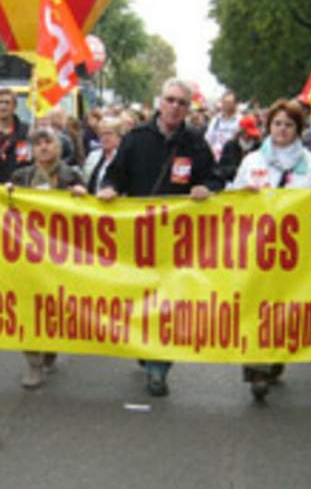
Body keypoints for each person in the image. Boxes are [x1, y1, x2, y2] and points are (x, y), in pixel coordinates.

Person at [99, 78, 222, 397]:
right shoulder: (136, 138)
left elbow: (216, 175)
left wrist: (206, 187)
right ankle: (145, 349)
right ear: (159, 102)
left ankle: (159, 368)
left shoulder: (195, 143)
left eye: (182, 103)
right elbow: (116, 174)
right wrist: (110, 188)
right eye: (170, 100)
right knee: (140, 298)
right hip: (138, 236)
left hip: (177, 239)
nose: (175, 107)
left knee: (168, 302)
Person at [230, 99, 311, 401]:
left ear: (298, 129)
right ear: (268, 127)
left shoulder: (310, 163)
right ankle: (256, 369)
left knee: (285, 308)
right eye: (277, 124)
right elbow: (233, 199)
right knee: (256, 307)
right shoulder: (252, 161)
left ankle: (276, 359)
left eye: (288, 125)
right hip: (257, 250)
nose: (282, 130)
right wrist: (243, 194)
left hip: (294, 252)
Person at [7, 127, 87, 388]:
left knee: (55, 306)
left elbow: (90, 213)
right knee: (29, 306)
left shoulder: (72, 176)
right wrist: (5, 194)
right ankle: (33, 364)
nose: (43, 147)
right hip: (28, 253)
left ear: (59, 147)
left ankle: (51, 345)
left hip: (61, 254)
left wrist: (82, 197)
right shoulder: (21, 177)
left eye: (48, 142)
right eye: (38, 143)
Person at [216, 113, 263, 183]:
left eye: (251, 134)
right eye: (247, 133)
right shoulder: (230, 145)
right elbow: (221, 169)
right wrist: (237, 171)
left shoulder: (258, 146)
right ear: (241, 131)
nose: (249, 137)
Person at [83, 117, 123, 195]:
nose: (105, 137)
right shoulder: (93, 156)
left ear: (119, 136)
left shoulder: (124, 156)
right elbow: (86, 180)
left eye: (109, 133)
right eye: (102, 134)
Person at [204, 90, 240, 161]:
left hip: (232, 159)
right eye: (224, 102)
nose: (225, 105)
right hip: (214, 159)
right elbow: (208, 139)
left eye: (229, 102)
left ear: (235, 104)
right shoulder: (216, 120)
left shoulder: (240, 120)